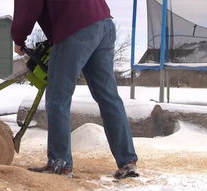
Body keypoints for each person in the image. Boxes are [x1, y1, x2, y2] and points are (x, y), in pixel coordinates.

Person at [11, 0, 139, 179]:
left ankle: (60, 164)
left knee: (58, 97)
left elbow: (29, 5)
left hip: (75, 26)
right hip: (104, 23)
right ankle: (128, 162)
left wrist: (18, 37)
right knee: (108, 97)